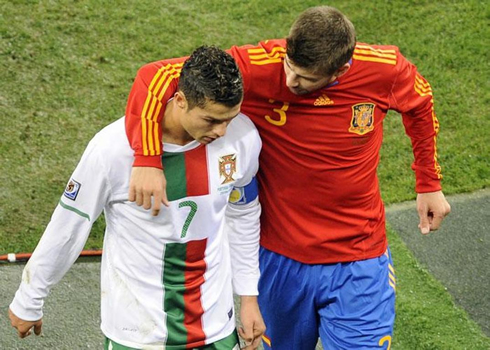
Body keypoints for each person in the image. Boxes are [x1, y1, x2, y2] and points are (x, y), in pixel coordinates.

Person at [124, 6, 451, 350]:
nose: (290, 82)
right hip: (280, 262)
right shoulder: (259, 64)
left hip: (359, 259)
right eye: (289, 68)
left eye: (305, 79)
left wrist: (429, 183)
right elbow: (155, 75)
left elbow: (421, 104)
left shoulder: (384, 69)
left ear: (340, 70)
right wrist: (146, 159)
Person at [9, 46, 266, 350]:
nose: (222, 131)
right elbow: (71, 223)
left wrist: (249, 296)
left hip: (216, 329)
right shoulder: (113, 149)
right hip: (137, 334)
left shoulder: (243, 137)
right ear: (180, 100)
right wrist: (30, 297)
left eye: (230, 118)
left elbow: (244, 213)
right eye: (211, 120)